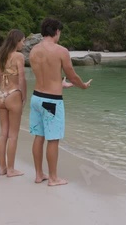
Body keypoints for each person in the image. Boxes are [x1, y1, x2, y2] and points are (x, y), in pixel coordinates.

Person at [29, 18, 92, 186]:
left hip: (36, 97)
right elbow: (72, 75)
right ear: (56, 31)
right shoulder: (61, 51)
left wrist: (59, 83)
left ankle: (38, 174)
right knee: (53, 139)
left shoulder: (33, 50)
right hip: (51, 101)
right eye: (60, 32)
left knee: (38, 136)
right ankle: (53, 178)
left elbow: (44, 74)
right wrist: (83, 86)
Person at [0, 29, 27, 177]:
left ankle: (2, 168)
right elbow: (21, 78)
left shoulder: (1, 55)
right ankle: (11, 169)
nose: (24, 43)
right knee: (13, 135)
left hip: (1, 95)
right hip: (13, 94)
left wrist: (3, 90)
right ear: (17, 41)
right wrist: (23, 96)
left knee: (3, 134)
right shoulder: (18, 56)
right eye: (23, 40)